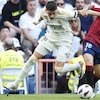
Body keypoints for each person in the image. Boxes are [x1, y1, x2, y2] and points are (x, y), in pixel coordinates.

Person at [6, 1, 85, 90]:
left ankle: (77, 65)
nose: (51, 15)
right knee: (32, 60)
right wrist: (37, 21)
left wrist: (94, 11)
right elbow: (40, 17)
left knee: (58, 70)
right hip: (50, 38)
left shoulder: (66, 13)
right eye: (49, 13)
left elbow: (81, 14)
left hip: (64, 40)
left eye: (53, 13)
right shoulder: (43, 11)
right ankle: (16, 83)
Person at [79, 5, 100, 95]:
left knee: (98, 74)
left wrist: (90, 12)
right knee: (88, 61)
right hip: (91, 40)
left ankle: (83, 83)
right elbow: (90, 6)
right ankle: (90, 90)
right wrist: (85, 9)